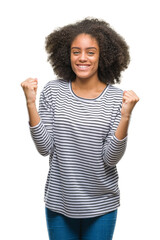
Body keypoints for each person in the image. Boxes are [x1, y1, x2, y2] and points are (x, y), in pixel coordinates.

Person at [21, 18, 139, 240]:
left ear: (103, 56)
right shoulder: (53, 91)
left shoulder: (117, 98)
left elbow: (110, 158)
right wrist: (30, 104)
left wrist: (126, 116)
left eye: (90, 52)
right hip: (59, 202)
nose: (82, 58)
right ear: (67, 55)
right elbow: (45, 148)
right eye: (76, 52)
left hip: (102, 205)